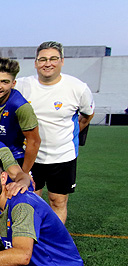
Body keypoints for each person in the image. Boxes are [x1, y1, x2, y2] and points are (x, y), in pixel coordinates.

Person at [16, 41, 95, 223]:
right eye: (42, 59)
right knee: (31, 201)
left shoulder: (78, 88)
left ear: (62, 61)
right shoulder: (22, 86)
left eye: (53, 59)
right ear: (35, 63)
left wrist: (68, 136)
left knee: (58, 201)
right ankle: (32, 243)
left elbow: (87, 115)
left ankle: (56, 244)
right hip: (30, 156)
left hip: (63, 156)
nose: (47, 63)